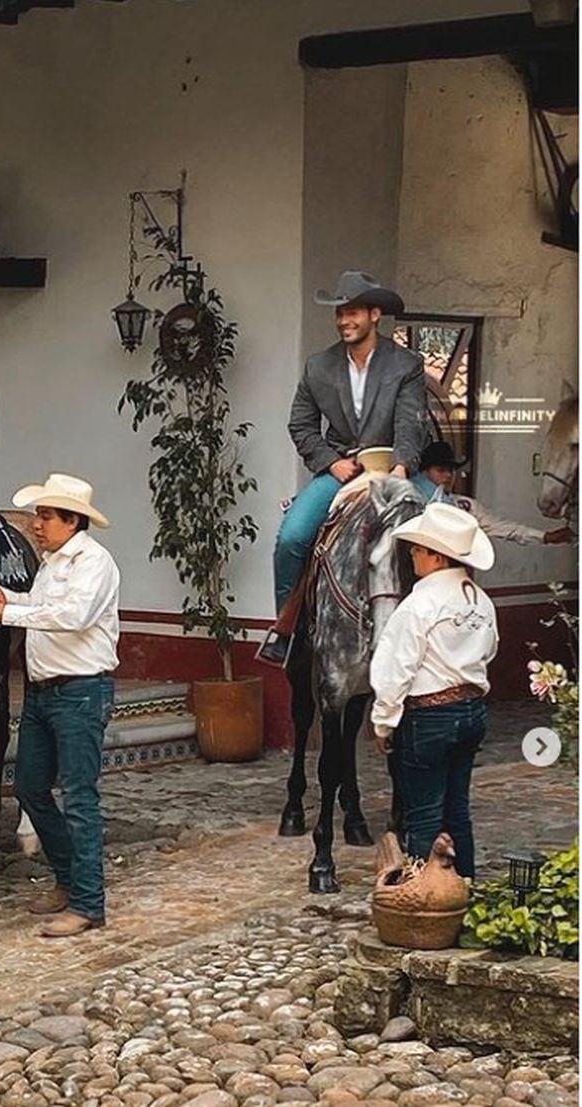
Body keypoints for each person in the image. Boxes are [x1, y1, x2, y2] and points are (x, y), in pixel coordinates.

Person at [0, 474, 119, 938]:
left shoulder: (95, 562)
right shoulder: (54, 563)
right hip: (44, 692)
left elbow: (72, 616)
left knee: (79, 797)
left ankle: (89, 902)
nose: (37, 524)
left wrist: (6, 613)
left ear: (72, 520)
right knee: (32, 789)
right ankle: (70, 881)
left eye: (46, 515)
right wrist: (8, 598)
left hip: (80, 691)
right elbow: (41, 604)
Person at [259, 270, 428, 665]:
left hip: (393, 469)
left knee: (449, 521)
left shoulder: (406, 364)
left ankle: (441, 626)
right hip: (342, 472)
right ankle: (289, 629)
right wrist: (331, 463)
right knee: (293, 536)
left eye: (352, 312)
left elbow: (410, 423)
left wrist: (402, 468)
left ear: (374, 314)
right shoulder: (319, 366)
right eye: (339, 313)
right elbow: (300, 424)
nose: (343, 320)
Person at [370, 501, 498, 879]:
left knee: (423, 813)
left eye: (418, 549)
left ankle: (422, 900)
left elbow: (396, 669)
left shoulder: (418, 604)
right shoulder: (481, 600)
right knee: (457, 808)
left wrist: (383, 722)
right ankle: (466, 888)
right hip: (472, 711)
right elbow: (490, 650)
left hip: (428, 718)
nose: (412, 555)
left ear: (436, 557)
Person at [414, 441, 573, 547]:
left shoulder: (464, 506)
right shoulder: (412, 502)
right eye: (441, 470)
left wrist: (544, 537)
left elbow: (502, 527)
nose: (448, 476)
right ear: (425, 473)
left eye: (451, 470)